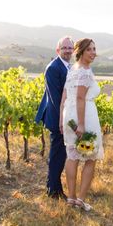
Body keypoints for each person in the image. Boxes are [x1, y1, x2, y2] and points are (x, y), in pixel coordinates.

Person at [59, 38, 104, 212]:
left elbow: (65, 95)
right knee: (90, 157)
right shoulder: (84, 71)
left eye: (94, 49)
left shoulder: (72, 69)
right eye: (89, 50)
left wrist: (61, 119)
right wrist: (82, 125)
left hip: (69, 115)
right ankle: (80, 200)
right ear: (81, 51)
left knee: (72, 155)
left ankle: (71, 197)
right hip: (83, 116)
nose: (93, 53)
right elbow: (79, 98)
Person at [35, 36, 74, 199]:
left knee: (60, 154)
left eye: (70, 48)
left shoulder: (68, 66)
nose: (67, 50)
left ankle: (55, 188)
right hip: (57, 118)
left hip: (64, 116)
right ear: (58, 50)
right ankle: (52, 191)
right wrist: (63, 121)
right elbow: (56, 98)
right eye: (64, 48)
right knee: (57, 154)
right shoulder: (53, 68)